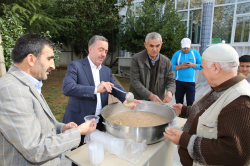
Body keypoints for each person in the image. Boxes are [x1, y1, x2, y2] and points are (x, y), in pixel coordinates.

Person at [0, 33, 97, 166]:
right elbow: (36, 150)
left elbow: (38, 124)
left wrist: (61, 128)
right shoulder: (11, 90)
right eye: (49, 59)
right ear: (31, 60)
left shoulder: (27, 84)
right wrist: (78, 132)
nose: (53, 66)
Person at [164, 41, 250, 166]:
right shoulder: (222, 85)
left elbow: (235, 154)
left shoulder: (240, 103)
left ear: (216, 68)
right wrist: (186, 110)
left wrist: (185, 140)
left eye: (203, 68)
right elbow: (214, 111)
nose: (202, 72)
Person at [62, 35, 140, 165]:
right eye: (100, 49)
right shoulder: (75, 66)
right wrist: (95, 89)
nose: (103, 54)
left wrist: (125, 99)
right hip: (79, 121)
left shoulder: (106, 70)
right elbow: (67, 88)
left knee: (96, 155)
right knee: (79, 157)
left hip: (99, 121)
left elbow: (115, 88)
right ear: (90, 49)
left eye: (106, 51)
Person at [129, 32, 175, 103]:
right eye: (151, 46)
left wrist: (170, 91)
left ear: (161, 45)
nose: (154, 49)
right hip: (138, 101)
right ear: (145, 45)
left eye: (157, 46)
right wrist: (150, 96)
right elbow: (134, 81)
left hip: (157, 103)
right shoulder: (136, 59)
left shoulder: (167, 62)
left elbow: (171, 81)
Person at [171, 38, 202, 106]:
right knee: (179, 101)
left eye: (187, 47)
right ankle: (180, 115)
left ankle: (189, 115)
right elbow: (171, 67)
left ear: (190, 45)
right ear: (181, 46)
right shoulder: (177, 54)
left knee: (190, 101)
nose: (186, 49)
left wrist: (193, 65)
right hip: (179, 82)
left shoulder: (195, 53)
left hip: (191, 82)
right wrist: (180, 66)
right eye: (184, 47)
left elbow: (201, 66)